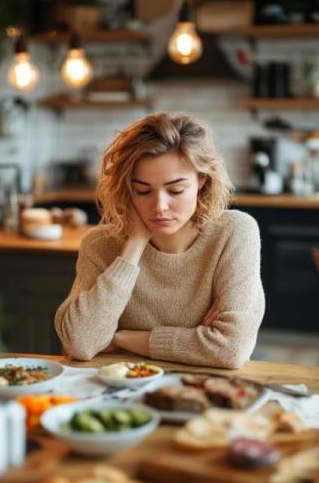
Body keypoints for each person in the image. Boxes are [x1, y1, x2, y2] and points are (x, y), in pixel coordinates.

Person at [55, 112, 265, 367]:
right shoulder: (99, 245)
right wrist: (133, 246)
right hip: (120, 389)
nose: (159, 206)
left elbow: (231, 348)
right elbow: (79, 343)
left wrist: (123, 338)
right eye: (142, 191)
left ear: (202, 179)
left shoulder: (234, 232)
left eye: (176, 190)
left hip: (202, 389)